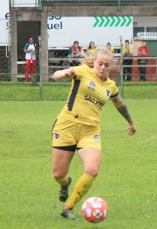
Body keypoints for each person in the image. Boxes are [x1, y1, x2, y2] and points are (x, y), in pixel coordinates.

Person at [51, 48, 137, 220]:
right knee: (58, 174)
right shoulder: (83, 72)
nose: (103, 67)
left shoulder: (110, 86)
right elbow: (56, 76)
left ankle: (68, 208)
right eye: (100, 63)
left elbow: (119, 103)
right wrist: (63, 73)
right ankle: (65, 183)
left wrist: (131, 122)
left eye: (107, 65)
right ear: (94, 62)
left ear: (112, 66)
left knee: (92, 169)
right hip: (66, 126)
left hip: (90, 131)